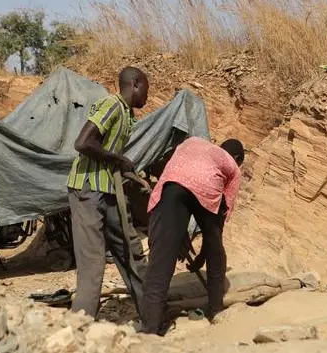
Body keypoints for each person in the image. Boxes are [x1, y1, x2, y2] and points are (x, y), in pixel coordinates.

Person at [66, 66, 149, 319]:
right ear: (135, 83)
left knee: (129, 248)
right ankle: (80, 325)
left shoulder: (126, 114)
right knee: (92, 261)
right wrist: (119, 159)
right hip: (88, 189)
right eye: (146, 86)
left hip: (110, 189)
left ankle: (152, 311)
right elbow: (82, 143)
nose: (148, 94)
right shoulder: (112, 105)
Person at [140, 136, 245, 336]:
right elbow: (217, 223)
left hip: (172, 186)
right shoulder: (231, 164)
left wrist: (178, 237)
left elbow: (176, 179)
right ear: (237, 157)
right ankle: (216, 312)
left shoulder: (193, 142)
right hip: (207, 189)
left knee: (160, 265)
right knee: (217, 255)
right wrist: (205, 255)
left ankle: (150, 329)